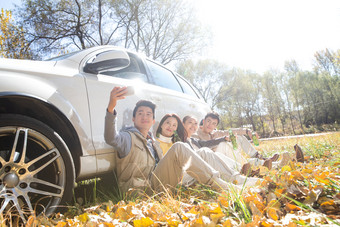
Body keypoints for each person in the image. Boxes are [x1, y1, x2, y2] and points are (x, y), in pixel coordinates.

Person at [104, 87, 260, 194]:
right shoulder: (127, 137)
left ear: (153, 121)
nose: (144, 116)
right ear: (133, 118)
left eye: (148, 114)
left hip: (160, 181)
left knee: (204, 152)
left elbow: (165, 164)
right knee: (179, 147)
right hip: (141, 190)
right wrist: (111, 108)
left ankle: (236, 179)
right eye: (140, 113)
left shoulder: (153, 143)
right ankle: (221, 185)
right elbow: (111, 137)